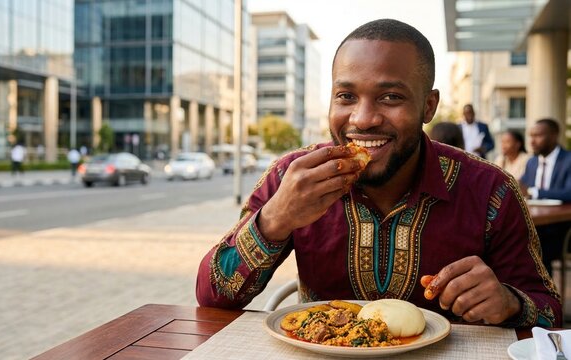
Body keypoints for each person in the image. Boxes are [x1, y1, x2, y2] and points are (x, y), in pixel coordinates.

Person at [196, 19, 560, 327]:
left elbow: (550, 310)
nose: (363, 119)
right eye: (346, 96)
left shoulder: (491, 190)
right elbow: (212, 296)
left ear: (428, 106)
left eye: (390, 97)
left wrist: (510, 301)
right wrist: (275, 218)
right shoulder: (291, 178)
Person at [520, 118, 571, 275]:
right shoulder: (532, 162)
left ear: (554, 136)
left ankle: (544, 295)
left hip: (561, 229)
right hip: (535, 224)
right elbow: (522, 188)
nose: (532, 141)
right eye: (531, 136)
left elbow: (569, 193)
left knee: (534, 249)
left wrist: (534, 192)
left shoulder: (568, 160)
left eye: (538, 136)